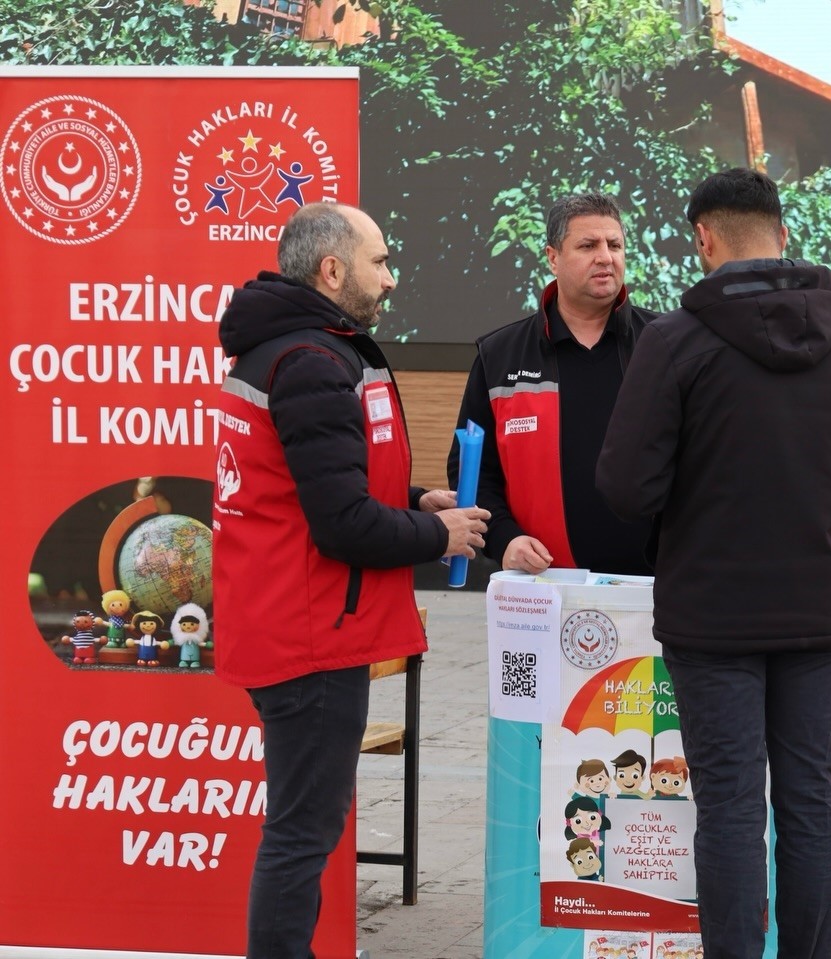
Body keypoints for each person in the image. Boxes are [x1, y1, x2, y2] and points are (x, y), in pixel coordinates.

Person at [596, 168, 831, 959]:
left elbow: (629, 488)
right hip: (824, 609)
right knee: (811, 800)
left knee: (732, 806)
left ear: (704, 239)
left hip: (712, 616)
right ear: (783, 233)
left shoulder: (674, 341)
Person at [212, 202, 489, 959]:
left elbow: (323, 483)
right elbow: (341, 523)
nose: (391, 278)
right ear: (332, 270)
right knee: (303, 831)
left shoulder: (297, 349)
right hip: (310, 635)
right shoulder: (310, 361)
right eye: (380, 261)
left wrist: (414, 500)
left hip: (294, 622)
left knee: (303, 824)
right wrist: (439, 536)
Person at [448, 193, 657, 575]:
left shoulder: (666, 345)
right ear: (553, 257)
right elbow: (472, 472)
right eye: (588, 246)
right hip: (541, 584)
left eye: (614, 245)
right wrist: (504, 539)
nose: (605, 257)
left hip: (656, 586)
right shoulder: (500, 355)